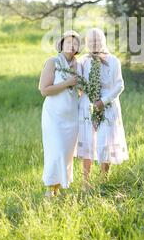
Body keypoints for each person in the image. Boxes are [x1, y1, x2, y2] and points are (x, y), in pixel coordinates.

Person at [76, 28, 129, 190]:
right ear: (86, 43)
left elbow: (119, 85)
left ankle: (103, 180)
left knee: (105, 142)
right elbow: (78, 83)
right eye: (90, 41)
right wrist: (87, 95)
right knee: (88, 142)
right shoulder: (83, 61)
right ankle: (86, 182)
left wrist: (103, 101)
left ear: (103, 41)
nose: (94, 43)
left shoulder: (113, 61)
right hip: (87, 105)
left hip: (108, 105)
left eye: (97, 40)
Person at [38, 30, 82, 198]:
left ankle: (59, 187)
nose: (72, 45)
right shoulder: (53, 62)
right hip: (54, 117)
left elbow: (78, 91)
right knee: (56, 151)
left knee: (66, 153)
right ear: (61, 44)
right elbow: (44, 90)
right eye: (68, 42)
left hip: (71, 116)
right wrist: (67, 83)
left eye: (75, 43)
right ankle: (50, 189)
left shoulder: (78, 65)